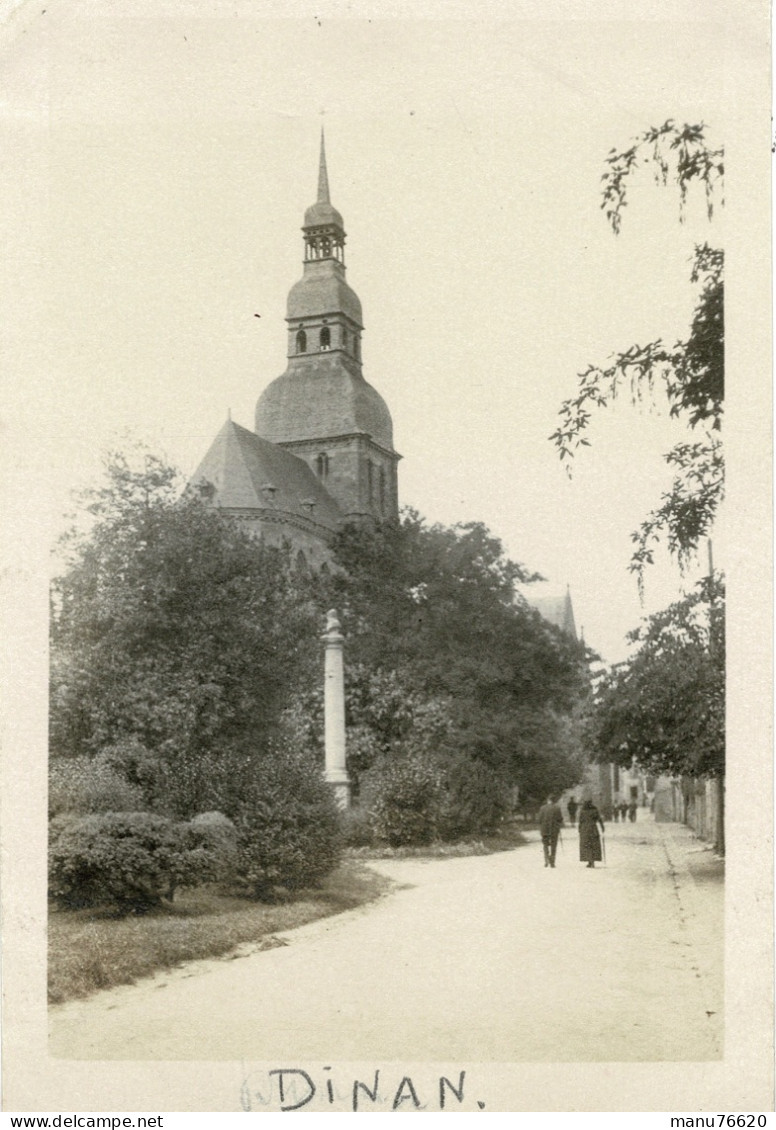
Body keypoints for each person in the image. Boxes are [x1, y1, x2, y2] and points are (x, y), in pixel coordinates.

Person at [538, 795, 564, 868]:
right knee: (553, 845)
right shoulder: (557, 808)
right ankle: (552, 862)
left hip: (544, 829)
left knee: (545, 845)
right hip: (554, 830)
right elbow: (560, 819)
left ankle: (546, 860)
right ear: (554, 800)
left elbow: (539, 820)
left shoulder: (542, 808)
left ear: (548, 800)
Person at [578, 798, 605, 868]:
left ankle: (590, 861)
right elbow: (599, 819)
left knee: (586, 845)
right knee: (594, 845)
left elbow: (580, 821)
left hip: (585, 829)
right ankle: (592, 861)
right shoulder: (595, 810)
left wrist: (579, 829)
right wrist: (602, 827)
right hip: (593, 828)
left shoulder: (582, 811)